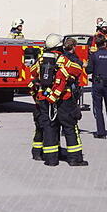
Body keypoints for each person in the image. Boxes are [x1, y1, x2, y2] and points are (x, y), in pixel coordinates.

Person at [42, 37, 89, 166]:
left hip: (48, 98)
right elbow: (77, 69)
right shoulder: (64, 59)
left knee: (51, 128)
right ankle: (74, 158)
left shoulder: (42, 59)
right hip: (64, 99)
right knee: (70, 127)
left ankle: (51, 160)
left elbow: (33, 73)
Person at [29, 34, 64, 162]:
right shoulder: (61, 59)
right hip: (52, 98)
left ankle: (36, 152)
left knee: (40, 125)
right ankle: (51, 156)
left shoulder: (41, 60)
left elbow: (32, 73)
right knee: (51, 126)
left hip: (40, 96)